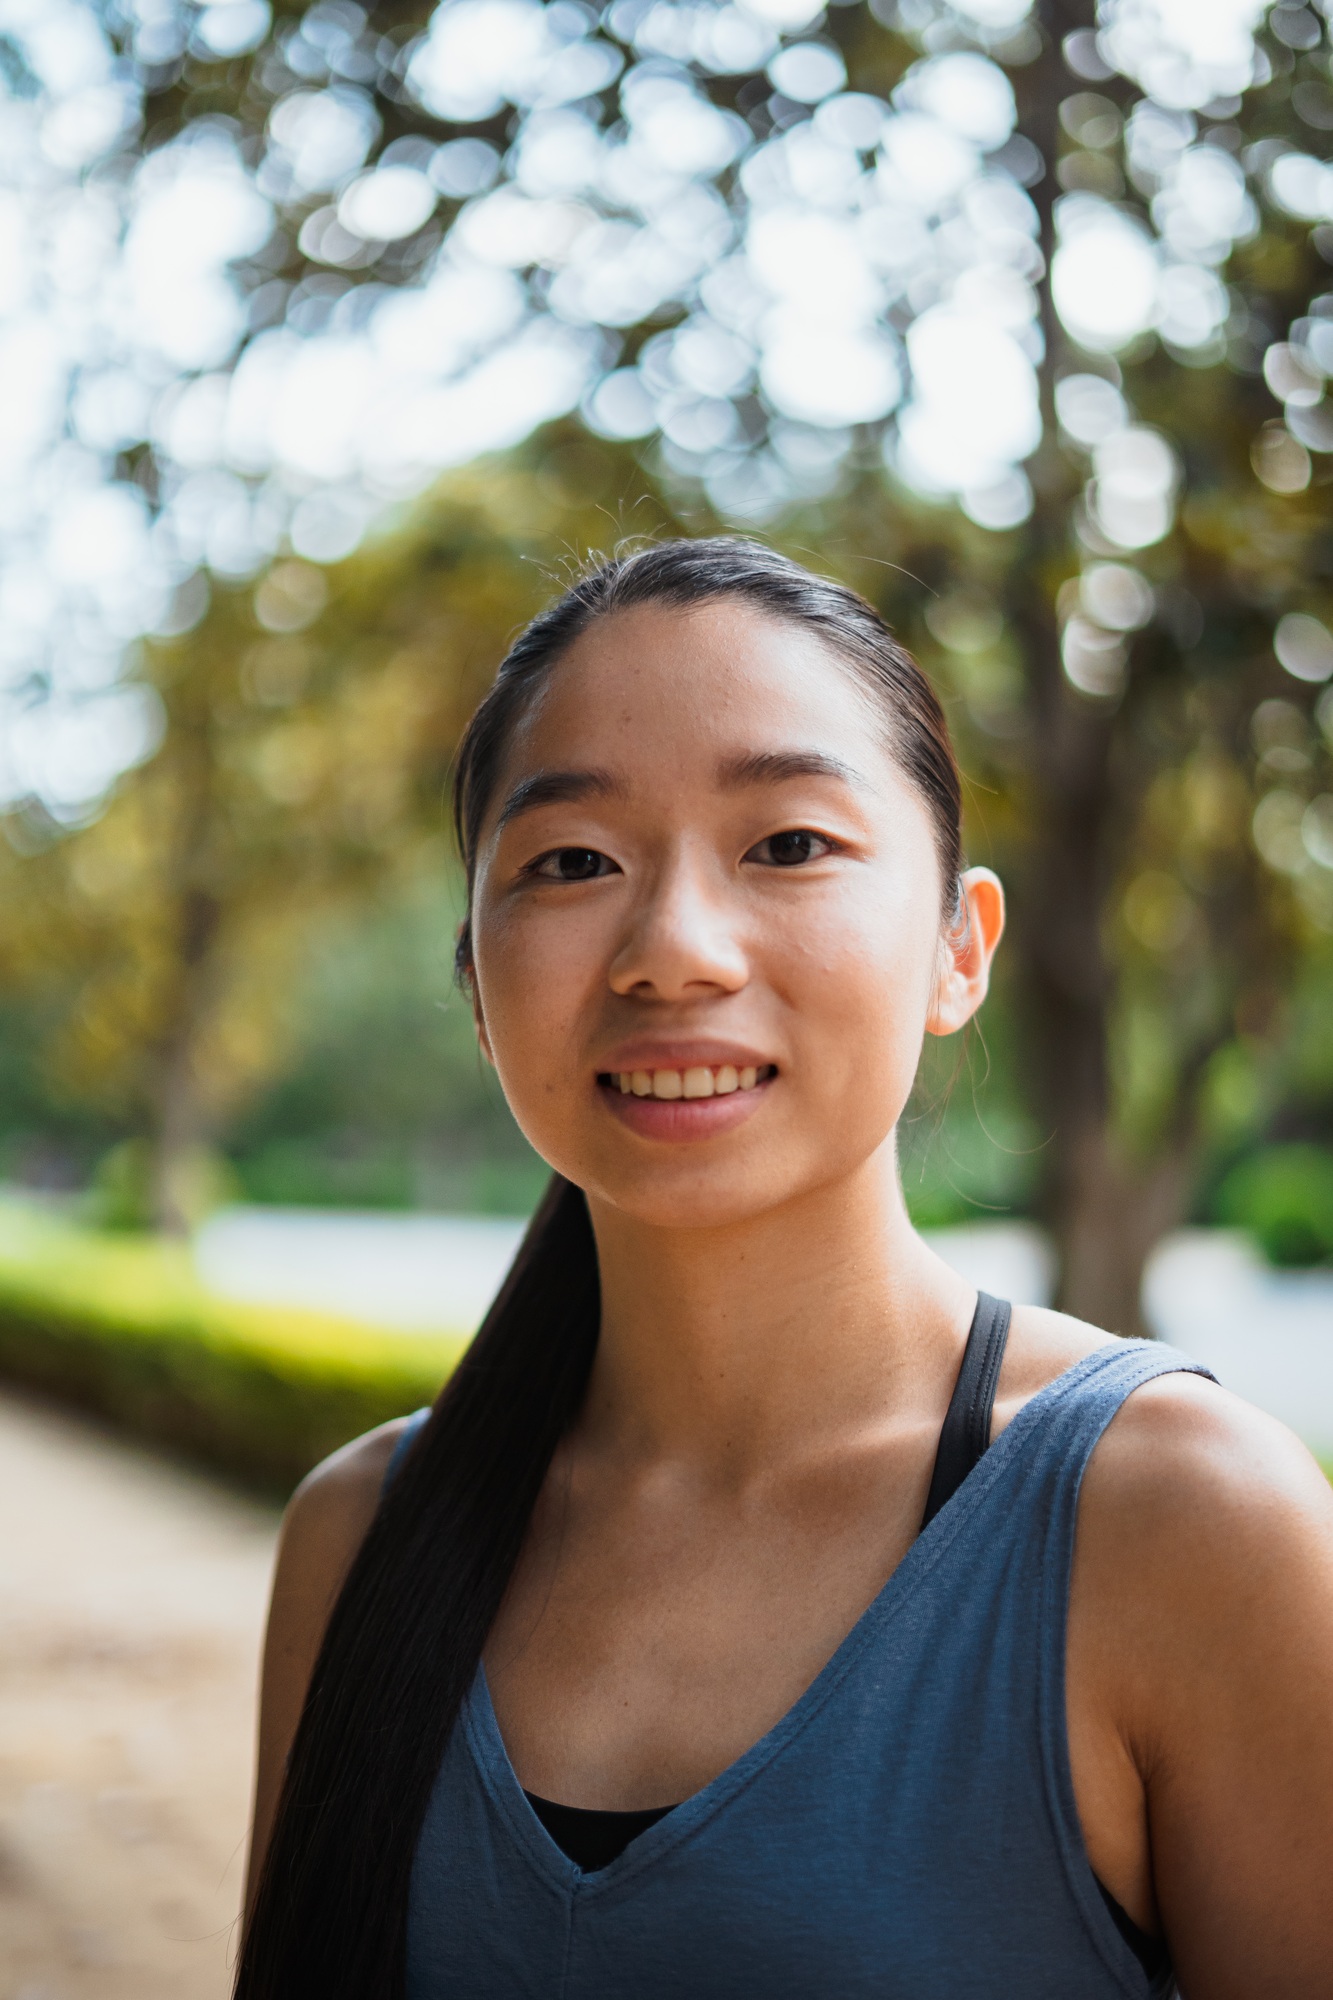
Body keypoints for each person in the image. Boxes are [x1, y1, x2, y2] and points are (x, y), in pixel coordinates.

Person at [236, 539, 1333, 2000]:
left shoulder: (1186, 1523)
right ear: (479, 994)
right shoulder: (363, 1540)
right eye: (571, 863)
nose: (672, 951)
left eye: (788, 844)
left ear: (959, 947)